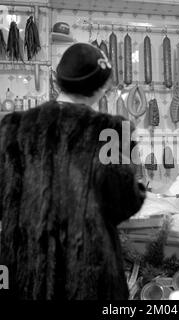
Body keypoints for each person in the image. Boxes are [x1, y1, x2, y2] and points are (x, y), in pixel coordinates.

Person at [0, 43, 146, 299]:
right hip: (89, 276)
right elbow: (125, 201)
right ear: (101, 87)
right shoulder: (112, 129)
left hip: (27, 273)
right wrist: (140, 189)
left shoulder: (11, 128)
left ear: (58, 82)